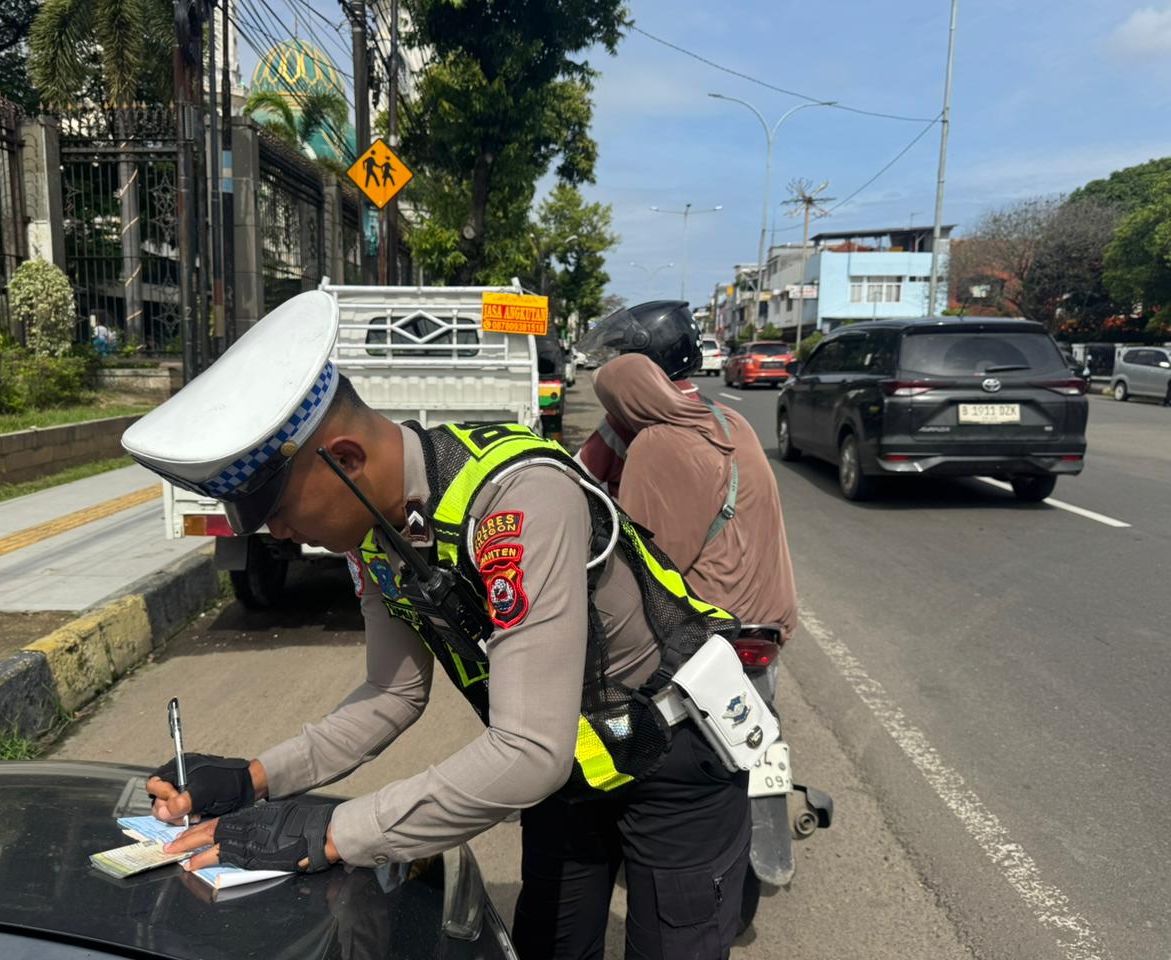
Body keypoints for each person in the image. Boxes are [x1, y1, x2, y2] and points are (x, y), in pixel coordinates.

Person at [123, 290, 754, 959]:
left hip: (671, 755)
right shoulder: (375, 534)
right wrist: (252, 779)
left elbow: (527, 750)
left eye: (273, 508)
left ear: (346, 459)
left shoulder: (516, 498)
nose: (276, 532)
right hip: (575, 761)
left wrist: (332, 833)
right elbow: (392, 694)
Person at [592, 353, 797, 641]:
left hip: (709, 619)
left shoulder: (655, 444)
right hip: (773, 612)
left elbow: (648, 556)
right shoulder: (729, 420)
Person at [573, 300, 707, 497]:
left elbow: (577, 476)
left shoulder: (627, 421)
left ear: (649, 359)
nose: (619, 363)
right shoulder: (719, 416)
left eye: (625, 356)